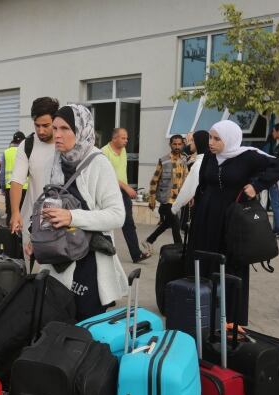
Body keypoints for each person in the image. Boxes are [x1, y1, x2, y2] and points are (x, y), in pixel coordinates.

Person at [188, 120, 279, 325]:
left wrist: (257, 186)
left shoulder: (248, 156)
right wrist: (195, 204)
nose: (211, 142)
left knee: (230, 263)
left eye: (217, 139)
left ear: (230, 139)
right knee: (205, 259)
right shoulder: (209, 155)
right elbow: (203, 183)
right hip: (206, 217)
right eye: (210, 137)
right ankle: (206, 314)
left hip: (233, 220)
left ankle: (232, 318)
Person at [40, 104, 129, 321]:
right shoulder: (56, 161)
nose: (57, 135)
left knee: (85, 328)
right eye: (55, 128)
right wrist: (38, 234)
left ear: (81, 130)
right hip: (60, 257)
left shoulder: (98, 163)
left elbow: (118, 215)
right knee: (58, 322)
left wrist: (72, 217)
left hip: (90, 263)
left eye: (64, 129)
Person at [9, 96, 60, 252]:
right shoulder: (27, 145)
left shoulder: (65, 144)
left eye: (46, 125)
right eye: (37, 125)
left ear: (55, 121)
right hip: (32, 223)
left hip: (61, 223)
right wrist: (15, 212)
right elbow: (17, 180)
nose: (40, 131)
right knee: (33, 273)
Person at [101, 128, 149, 263]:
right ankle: (103, 253)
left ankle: (136, 254)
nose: (126, 141)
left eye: (127, 138)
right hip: (109, 191)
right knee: (106, 223)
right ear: (114, 138)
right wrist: (127, 188)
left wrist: (126, 188)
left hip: (123, 192)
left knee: (128, 223)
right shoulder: (104, 152)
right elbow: (108, 176)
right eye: (123, 138)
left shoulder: (123, 150)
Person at [144, 134, 189, 250]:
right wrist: (152, 198)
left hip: (178, 199)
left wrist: (189, 196)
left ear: (183, 145)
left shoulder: (184, 159)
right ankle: (179, 249)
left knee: (168, 223)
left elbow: (186, 179)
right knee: (176, 224)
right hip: (167, 199)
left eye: (179, 144)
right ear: (170, 145)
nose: (177, 146)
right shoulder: (163, 161)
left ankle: (149, 240)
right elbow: (154, 181)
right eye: (175, 144)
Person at [172, 130, 208, 214]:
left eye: (192, 140)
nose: (189, 143)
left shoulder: (199, 163)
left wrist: (174, 208)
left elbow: (187, 189)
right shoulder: (208, 159)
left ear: (198, 142)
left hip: (198, 205)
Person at [1, 131, 26, 222]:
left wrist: (2, 187)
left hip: (10, 186)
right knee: (24, 212)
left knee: (11, 212)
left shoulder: (6, 152)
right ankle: (22, 234)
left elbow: (3, 172)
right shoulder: (26, 151)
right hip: (25, 186)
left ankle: (11, 233)